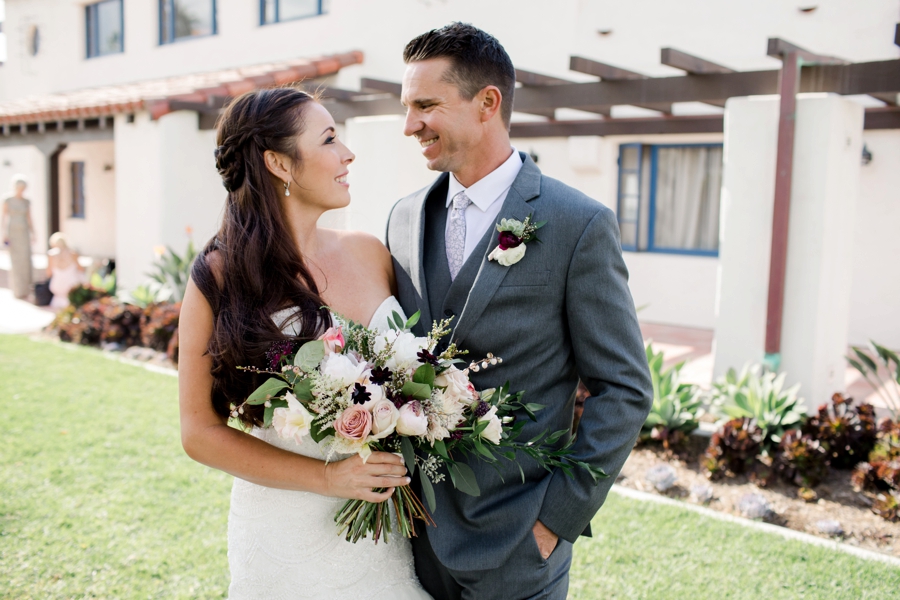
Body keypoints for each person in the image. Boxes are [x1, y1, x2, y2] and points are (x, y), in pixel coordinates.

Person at [387, 23, 653, 599]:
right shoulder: (403, 219)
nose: (410, 125)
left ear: (488, 103)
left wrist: (555, 521)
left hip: (519, 547)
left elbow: (625, 387)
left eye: (426, 105)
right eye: (408, 108)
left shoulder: (576, 224)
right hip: (412, 541)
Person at [177, 87, 431, 599]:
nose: (348, 153)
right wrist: (328, 479)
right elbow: (199, 431)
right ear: (279, 163)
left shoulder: (369, 252)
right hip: (285, 532)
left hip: (384, 534)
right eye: (330, 139)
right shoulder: (222, 275)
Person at [2, 174, 36, 299]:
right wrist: (4, 234)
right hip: (13, 233)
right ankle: (18, 290)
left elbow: (29, 218)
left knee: (26, 260)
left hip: (24, 232)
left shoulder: (26, 201)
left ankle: (27, 288)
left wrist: (33, 233)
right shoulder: (7, 200)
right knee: (16, 261)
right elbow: (3, 218)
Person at [46, 232, 84, 308]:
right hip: (71, 284)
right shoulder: (73, 253)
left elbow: (48, 273)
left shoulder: (51, 255)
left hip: (57, 285)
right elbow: (81, 269)